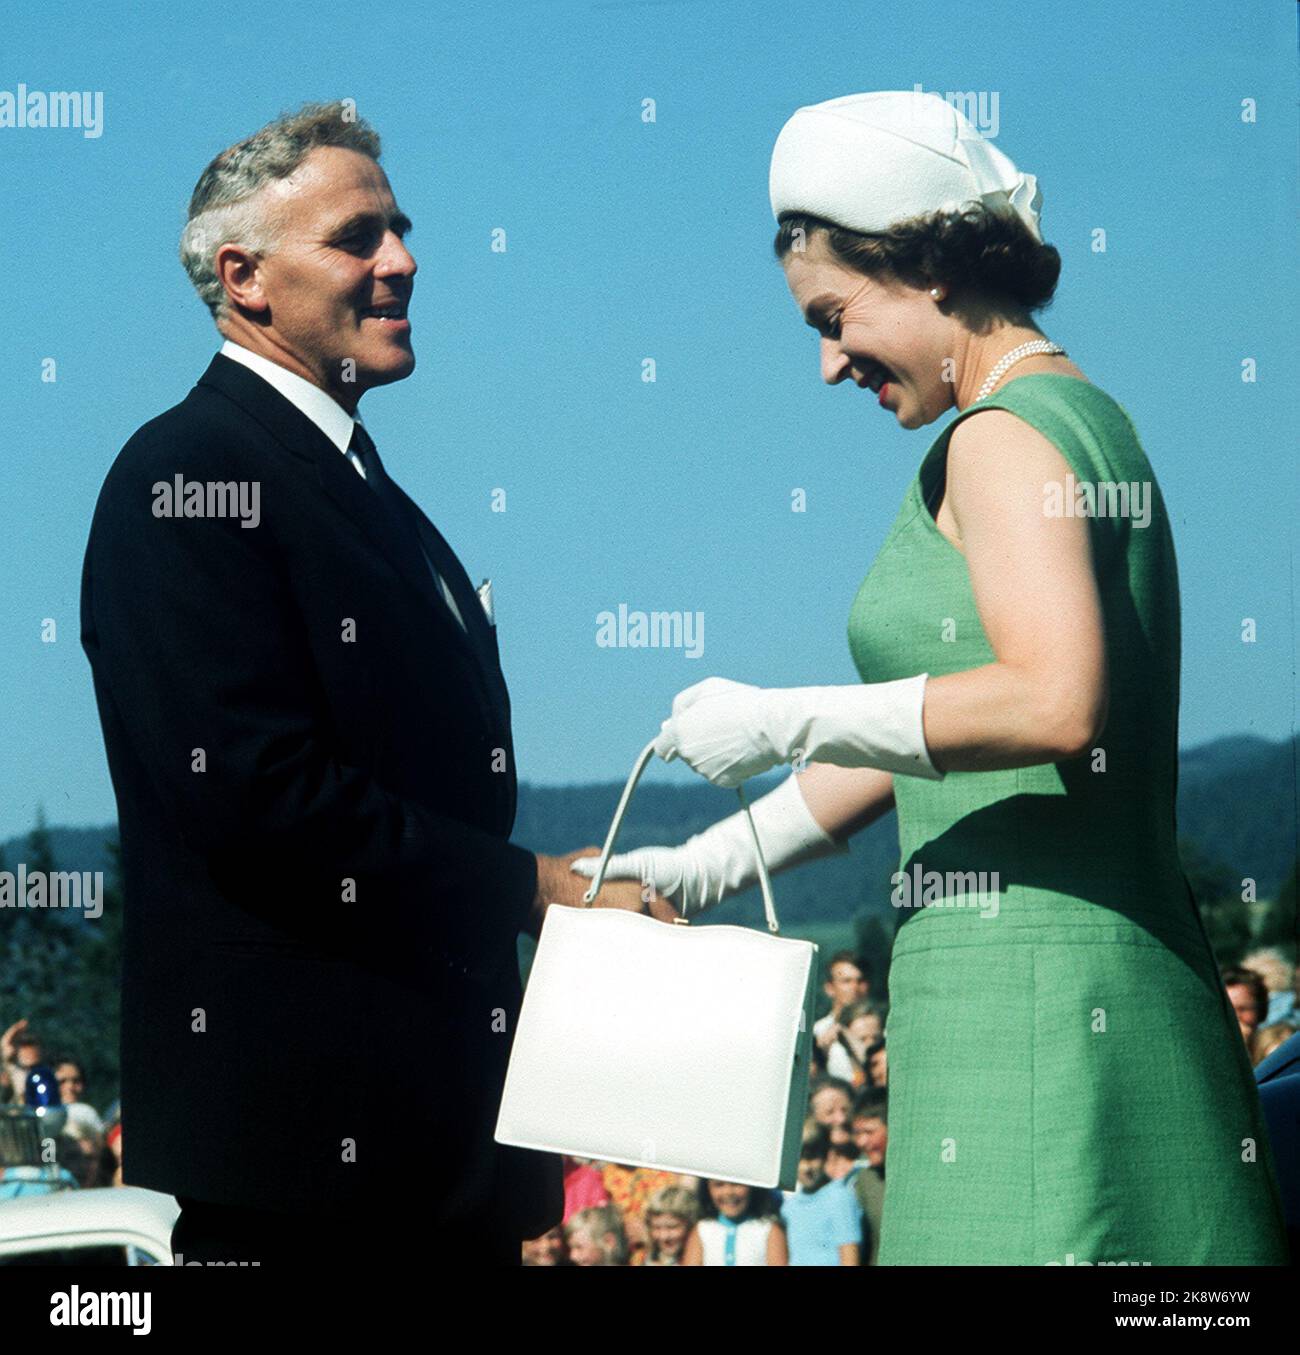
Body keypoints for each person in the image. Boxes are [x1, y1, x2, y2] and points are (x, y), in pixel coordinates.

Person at [575, 89, 1289, 1264]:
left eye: (833, 314)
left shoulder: (1001, 435)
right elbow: (942, 736)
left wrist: (782, 714)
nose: (825, 362)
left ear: (929, 266)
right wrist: (703, 861)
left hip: (1036, 1006)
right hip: (1067, 987)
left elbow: (1051, 699)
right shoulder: (1082, 419)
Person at [79, 99, 646, 1269]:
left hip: (433, 1165)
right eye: (357, 236)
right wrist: (531, 887)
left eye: (400, 230)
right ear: (245, 276)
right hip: (304, 1173)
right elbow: (258, 797)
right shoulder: (185, 476)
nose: (403, 260)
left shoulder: (376, 496)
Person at [780, 1130, 862, 1266]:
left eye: (812, 1158)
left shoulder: (839, 1197)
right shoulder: (789, 1207)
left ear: (825, 1156)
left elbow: (850, 1257)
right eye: (798, 1159)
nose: (806, 1167)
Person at [682, 1179, 786, 1266]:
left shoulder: (768, 1230)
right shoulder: (702, 1230)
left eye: (736, 1184)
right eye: (719, 1185)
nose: (728, 1192)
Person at [641, 1184, 699, 1265]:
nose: (663, 1236)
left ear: (690, 1225)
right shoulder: (649, 1259)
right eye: (656, 1227)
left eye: (672, 1227)